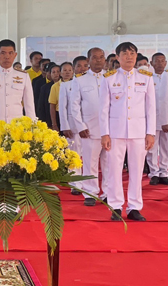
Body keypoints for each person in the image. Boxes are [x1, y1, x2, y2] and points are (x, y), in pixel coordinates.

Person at [100, 42, 156, 221]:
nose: (129, 57)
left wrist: (150, 133)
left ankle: (134, 207)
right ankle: (116, 206)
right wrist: (105, 133)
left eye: (132, 53)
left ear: (136, 55)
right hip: (115, 132)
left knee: (137, 170)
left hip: (139, 132)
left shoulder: (146, 77)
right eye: (125, 54)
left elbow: (151, 108)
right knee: (114, 170)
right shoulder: (109, 78)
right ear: (117, 57)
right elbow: (103, 109)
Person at [69, 47, 107, 206]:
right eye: (94, 57)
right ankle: (90, 193)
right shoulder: (80, 79)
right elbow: (74, 105)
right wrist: (80, 126)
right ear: (88, 60)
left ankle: (108, 192)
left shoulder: (111, 77)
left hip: (110, 129)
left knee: (109, 163)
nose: (98, 60)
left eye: (101, 57)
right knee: (90, 162)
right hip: (89, 129)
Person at [0, 39, 36, 132]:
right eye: (3, 53)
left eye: (10, 53)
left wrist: (32, 129)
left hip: (16, 128)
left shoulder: (23, 76)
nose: (7, 57)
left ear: (15, 55)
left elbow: (29, 106)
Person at [58, 59, 86, 195]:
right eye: (79, 66)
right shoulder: (66, 85)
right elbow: (62, 108)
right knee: (73, 154)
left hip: (89, 125)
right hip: (72, 125)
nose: (82, 68)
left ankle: (88, 182)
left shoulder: (92, 82)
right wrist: (65, 126)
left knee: (87, 155)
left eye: (85, 66)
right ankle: (75, 183)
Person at [145, 53, 168, 185]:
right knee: (152, 147)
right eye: (157, 61)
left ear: (166, 63)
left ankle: (163, 172)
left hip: (167, 117)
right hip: (152, 117)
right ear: (152, 63)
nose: (160, 64)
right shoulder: (147, 78)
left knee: (166, 146)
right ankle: (154, 172)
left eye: (162, 61)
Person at [37, 63, 59, 127]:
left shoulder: (66, 85)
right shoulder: (45, 87)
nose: (56, 74)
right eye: (53, 72)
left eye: (58, 72)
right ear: (50, 74)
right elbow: (41, 106)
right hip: (48, 117)